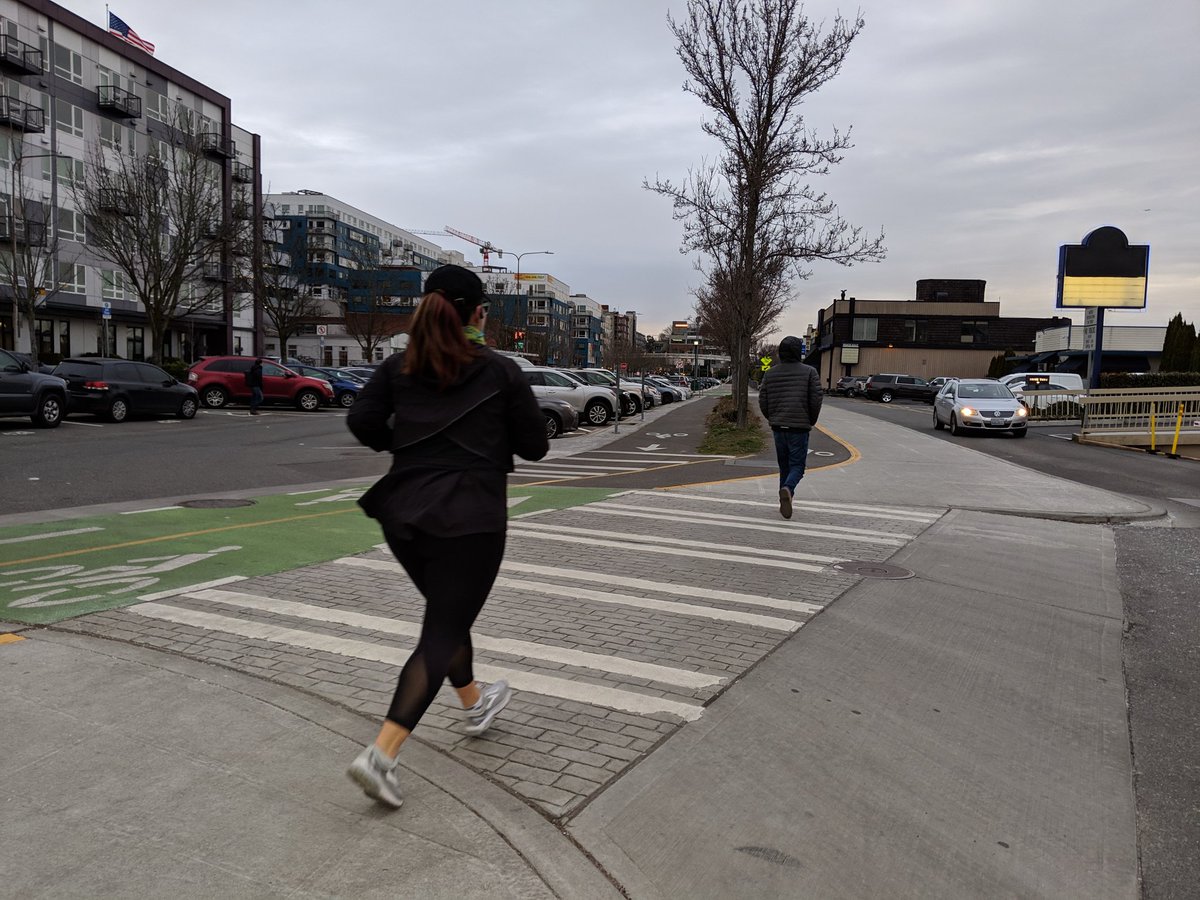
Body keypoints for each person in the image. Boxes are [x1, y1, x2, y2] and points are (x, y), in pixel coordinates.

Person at [344, 264, 548, 809]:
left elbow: (362, 423)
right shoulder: (500, 371)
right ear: (477, 312)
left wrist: (410, 448)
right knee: (441, 631)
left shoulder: (397, 367)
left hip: (403, 517)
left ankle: (475, 701)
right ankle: (380, 756)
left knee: (447, 616)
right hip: (470, 520)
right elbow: (535, 448)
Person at [757, 335, 823, 520]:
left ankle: (784, 500)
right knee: (798, 467)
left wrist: (773, 417)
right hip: (799, 427)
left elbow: (763, 400)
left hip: (778, 426)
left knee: (784, 466)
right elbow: (816, 399)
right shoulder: (810, 372)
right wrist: (810, 420)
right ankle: (788, 489)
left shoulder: (770, 373)